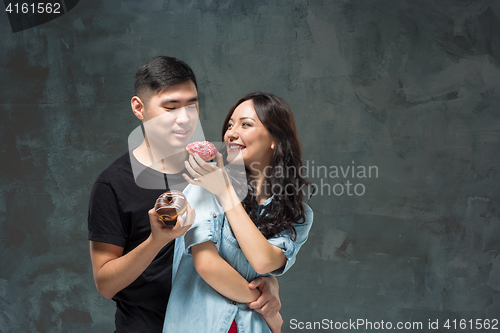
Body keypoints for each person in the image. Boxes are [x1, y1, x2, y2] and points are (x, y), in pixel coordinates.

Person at [87, 57, 282, 333]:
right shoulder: (113, 184)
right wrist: (156, 241)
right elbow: (105, 284)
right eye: (170, 107)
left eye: (192, 105)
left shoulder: (221, 167)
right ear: (138, 108)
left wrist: (269, 283)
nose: (184, 118)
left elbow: (249, 247)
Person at [163, 92, 314, 332]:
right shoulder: (206, 181)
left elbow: (263, 261)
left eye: (246, 124)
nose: (231, 133)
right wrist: (269, 309)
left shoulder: (297, 214)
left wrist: (226, 194)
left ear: (275, 138)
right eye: (230, 124)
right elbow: (206, 265)